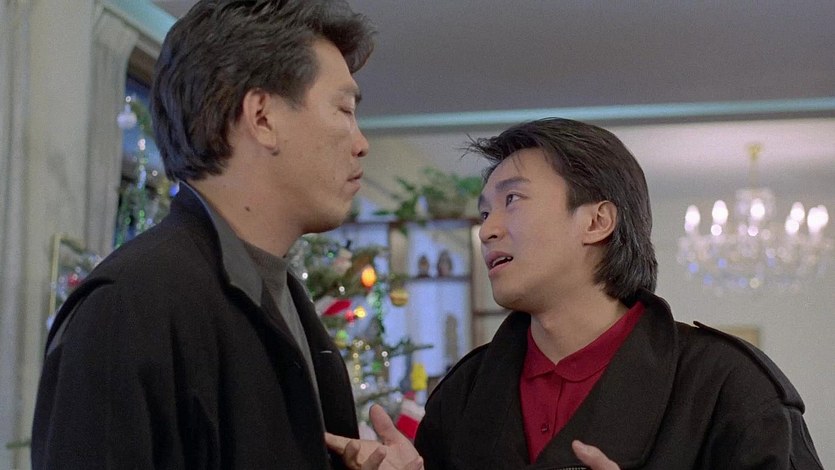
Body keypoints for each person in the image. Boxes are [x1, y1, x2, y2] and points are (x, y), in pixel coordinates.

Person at [326, 118, 824, 469]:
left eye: (512, 200)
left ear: (596, 221)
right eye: (484, 212)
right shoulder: (465, 393)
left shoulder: (729, 386)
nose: (488, 230)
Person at [30, 1, 403, 468]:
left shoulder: (281, 297)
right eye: (344, 109)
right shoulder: (128, 307)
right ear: (262, 117)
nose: (361, 143)